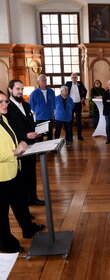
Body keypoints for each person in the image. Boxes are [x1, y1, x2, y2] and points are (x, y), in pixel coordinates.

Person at [0, 91, 45, 253]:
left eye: (5, 101)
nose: (5, 104)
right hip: (2, 175)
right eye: (1, 102)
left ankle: (28, 228)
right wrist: (15, 151)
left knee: (20, 203)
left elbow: (10, 139)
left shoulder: (3, 118)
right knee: (2, 214)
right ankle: (6, 244)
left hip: (14, 169)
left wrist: (19, 142)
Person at [6, 79, 44, 207]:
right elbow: (10, 131)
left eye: (21, 89)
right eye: (17, 89)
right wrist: (25, 135)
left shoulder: (26, 105)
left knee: (31, 173)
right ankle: (24, 204)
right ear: (10, 89)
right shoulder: (7, 108)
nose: (20, 92)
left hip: (31, 144)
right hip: (19, 146)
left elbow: (31, 124)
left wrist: (36, 131)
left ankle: (33, 198)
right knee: (22, 177)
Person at [29, 74, 55, 141]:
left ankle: (50, 149)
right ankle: (41, 151)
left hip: (50, 116)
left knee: (50, 135)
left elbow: (54, 102)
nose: (44, 81)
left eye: (45, 80)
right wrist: (38, 111)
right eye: (42, 80)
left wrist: (53, 111)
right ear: (38, 82)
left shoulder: (51, 91)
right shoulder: (34, 93)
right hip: (40, 117)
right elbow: (31, 104)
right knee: (39, 135)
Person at [65, 73, 87, 141]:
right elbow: (63, 91)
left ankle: (79, 136)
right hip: (70, 105)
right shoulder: (68, 84)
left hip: (78, 104)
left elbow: (85, 90)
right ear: (71, 78)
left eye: (75, 77)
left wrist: (83, 97)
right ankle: (70, 136)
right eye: (73, 77)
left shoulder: (80, 83)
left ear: (77, 78)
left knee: (79, 121)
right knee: (70, 121)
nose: (74, 78)